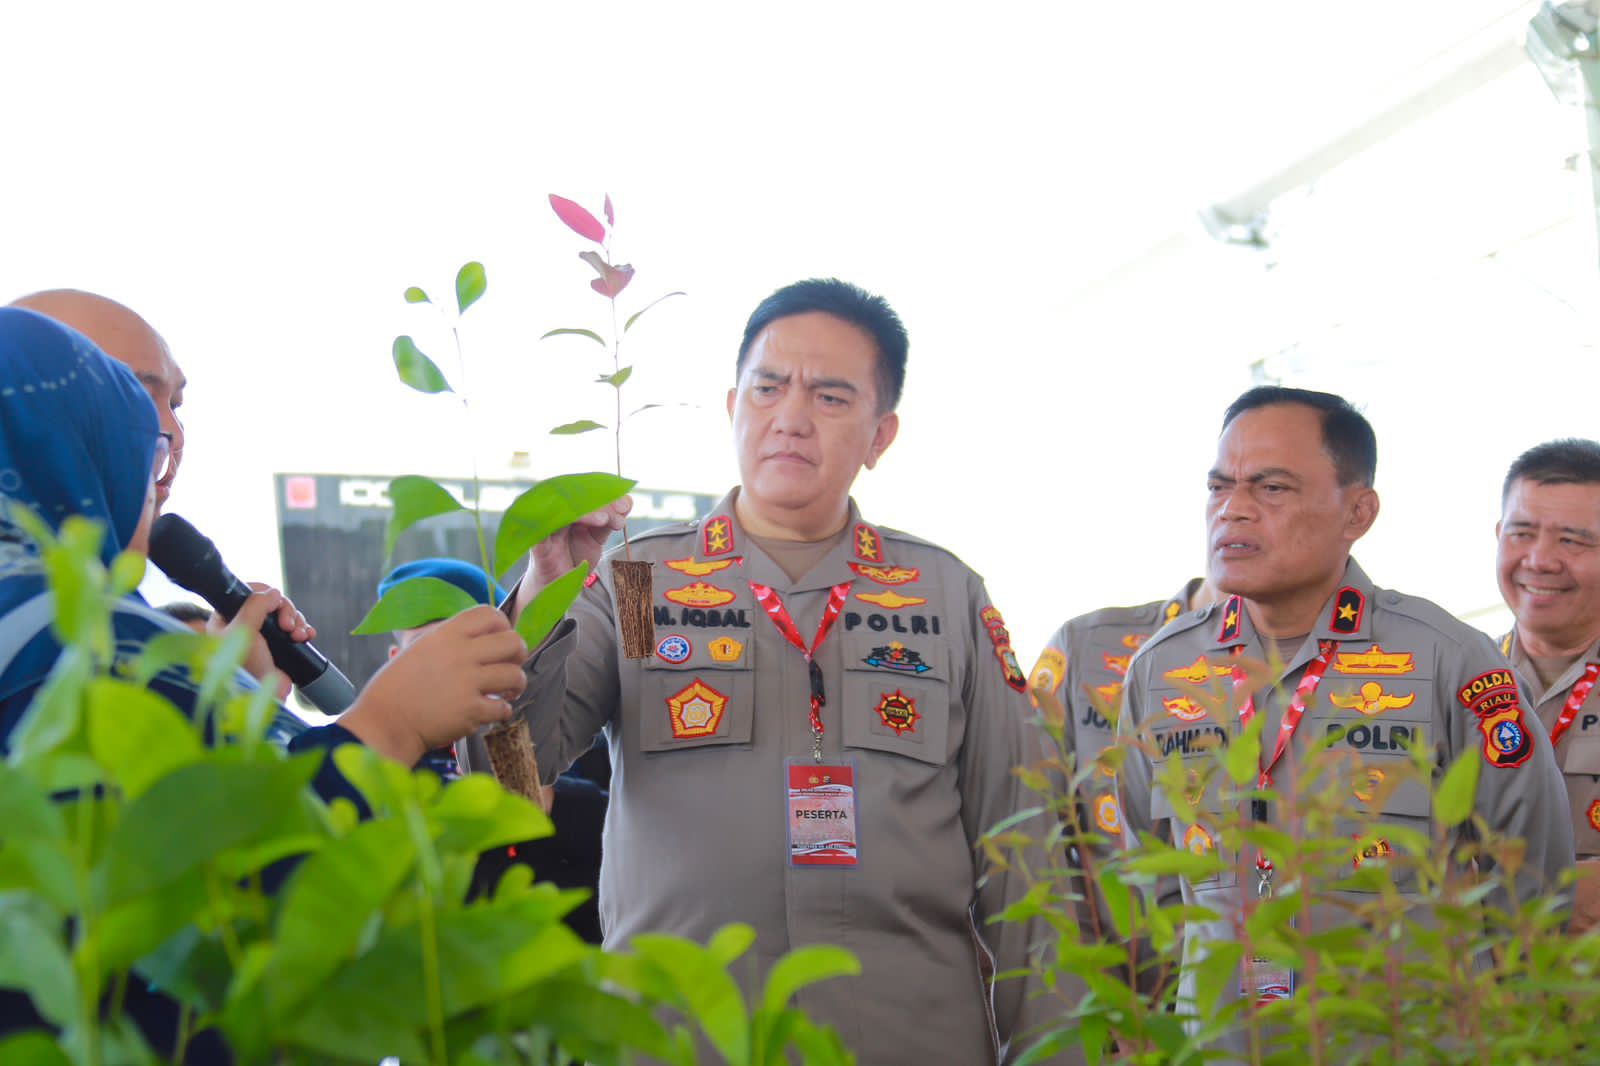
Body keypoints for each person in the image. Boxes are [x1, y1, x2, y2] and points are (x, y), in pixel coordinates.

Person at [490, 279, 1075, 1064]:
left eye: (830, 397)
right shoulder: (639, 581)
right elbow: (511, 779)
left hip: (904, 1039)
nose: (791, 416)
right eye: (769, 388)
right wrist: (542, 599)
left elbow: (1024, 852)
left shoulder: (944, 593)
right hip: (682, 1039)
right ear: (734, 405)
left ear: (880, 435)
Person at [1117, 386, 1572, 1050]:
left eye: (1271, 488)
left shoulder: (1447, 658)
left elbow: (1531, 881)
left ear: (1358, 512)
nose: (1233, 509)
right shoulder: (1161, 668)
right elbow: (1153, 880)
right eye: (1219, 487)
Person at [379, 557, 608, 943]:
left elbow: (635, 839)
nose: (448, 667)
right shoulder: (381, 758)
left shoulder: (572, 739)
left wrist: (555, 800)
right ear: (394, 662)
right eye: (424, 651)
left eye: (468, 647)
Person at [1494, 438, 1600, 933]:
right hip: (1480, 972)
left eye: (1572, 541)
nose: (1539, 560)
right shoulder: (1452, 675)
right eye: (1522, 533)